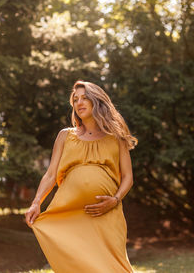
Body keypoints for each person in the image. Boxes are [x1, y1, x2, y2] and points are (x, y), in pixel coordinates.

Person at [25, 80, 138, 273]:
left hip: (107, 212)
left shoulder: (116, 137)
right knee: (79, 266)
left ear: (97, 101)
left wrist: (115, 200)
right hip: (71, 213)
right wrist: (37, 202)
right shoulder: (65, 136)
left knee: (113, 266)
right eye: (75, 99)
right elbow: (51, 174)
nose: (79, 102)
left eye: (85, 98)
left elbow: (128, 177)